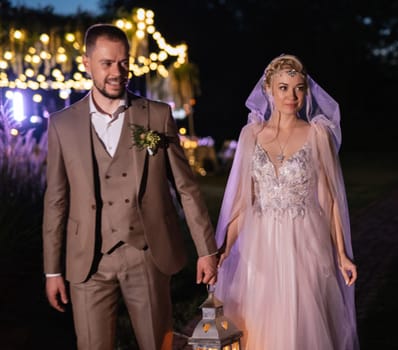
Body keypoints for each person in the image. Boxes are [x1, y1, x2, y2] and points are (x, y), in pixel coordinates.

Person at [42, 23, 218, 350]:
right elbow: (56, 201)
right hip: (88, 262)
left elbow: (187, 188)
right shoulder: (62, 125)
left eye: (123, 62)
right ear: (87, 63)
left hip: (147, 254)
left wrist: (206, 249)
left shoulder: (157, 116)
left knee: (158, 345)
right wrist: (52, 271)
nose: (117, 72)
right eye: (107, 63)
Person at [214, 54, 360, 349]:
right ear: (267, 89)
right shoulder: (250, 135)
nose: (292, 96)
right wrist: (225, 249)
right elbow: (244, 201)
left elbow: (329, 199)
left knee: (302, 320)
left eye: (298, 88)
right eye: (283, 87)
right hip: (261, 244)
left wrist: (341, 253)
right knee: (260, 321)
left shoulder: (318, 134)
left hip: (304, 242)